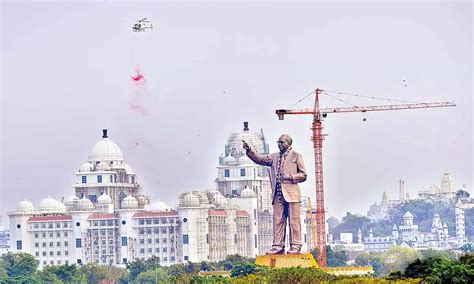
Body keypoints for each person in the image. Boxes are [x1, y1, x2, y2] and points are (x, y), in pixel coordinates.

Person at [242, 134, 307, 255]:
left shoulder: (296, 156)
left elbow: (304, 175)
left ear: (289, 143)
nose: (280, 144)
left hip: (292, 195)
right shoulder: (274, 157)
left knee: (294, 221)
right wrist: (249, 150)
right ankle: (278, 246)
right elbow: (260, 159)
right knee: (278, 220)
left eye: (282, 142)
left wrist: (290, 177)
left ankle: (296, 246)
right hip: (278, 194)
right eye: (279, 142)